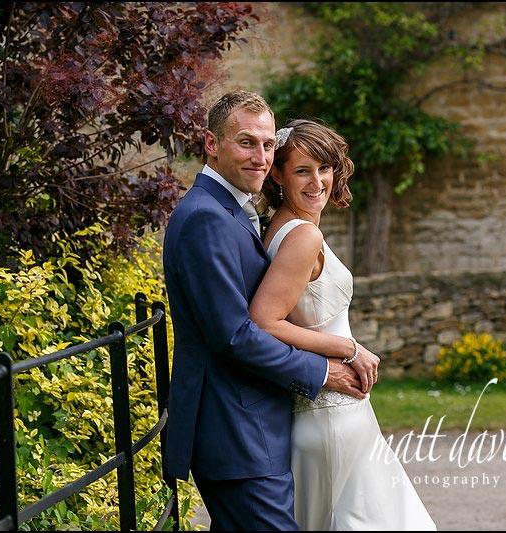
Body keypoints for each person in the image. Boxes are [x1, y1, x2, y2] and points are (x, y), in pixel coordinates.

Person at [162, 91, 369, 530]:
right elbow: (235, 335)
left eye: (268, 144)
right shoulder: (206, 218)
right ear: (211, 144)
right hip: (237, 433)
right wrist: (324, 371)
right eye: (246, 142)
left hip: (256, 428)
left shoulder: (235, 211)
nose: (260, 157)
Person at [249, 118, 437, 530]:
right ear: (278, 175)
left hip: (331, 410)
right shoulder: (303, 237)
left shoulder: (280, 228)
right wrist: (350, 349)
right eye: (302, 170)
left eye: (324, 168)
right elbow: (264, 321)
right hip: (332, 416)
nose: (317, 181)